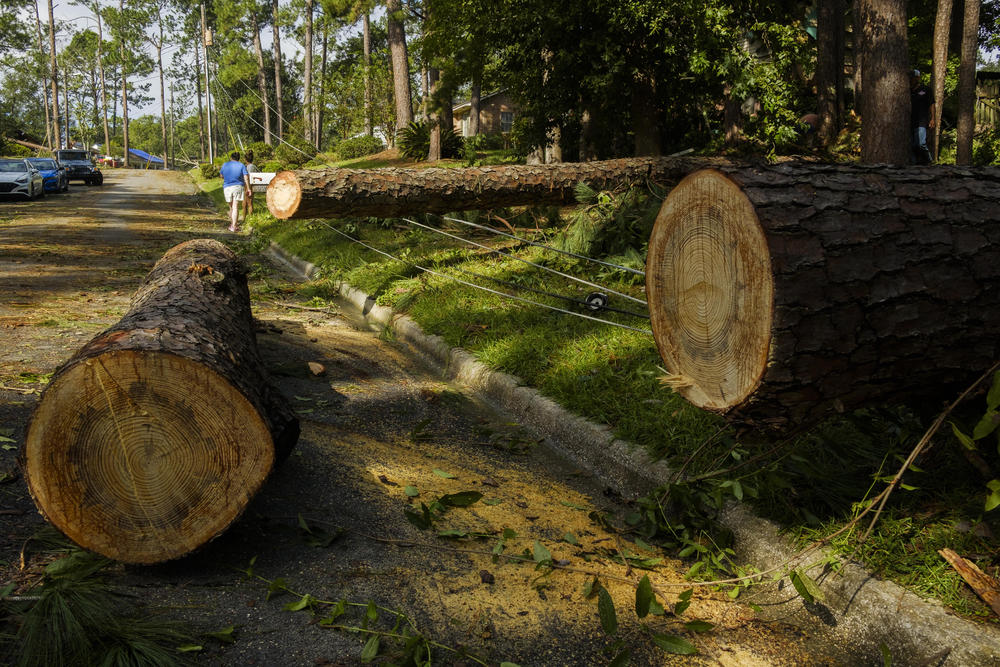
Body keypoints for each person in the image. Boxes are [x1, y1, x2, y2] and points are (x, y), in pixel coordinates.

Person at [219, 151, 250, 232]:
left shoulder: (225, 164)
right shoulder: (241, 165)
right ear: (238, 158)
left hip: (227, 187)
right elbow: (246, 177)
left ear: (231, 158)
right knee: (235, 206)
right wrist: (249, 188)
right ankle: (234, 226)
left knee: (231, 207)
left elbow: (221, 175)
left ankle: (232, 224)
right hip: (238, 186)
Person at [910, 69, 935, 165]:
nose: (911, 79)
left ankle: (929, 161)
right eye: (910, 77)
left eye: (913, 77)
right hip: (910, 121)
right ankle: (914, 164)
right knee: (912, 145)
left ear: (918, 78)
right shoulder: (907, 91)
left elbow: (931, 104)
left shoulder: (926, 90)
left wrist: (933, 118)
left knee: (921, 143)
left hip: (922, 121)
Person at [243, 150, 258, 220]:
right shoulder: (254, 166)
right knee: (248, 202)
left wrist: (247, 188)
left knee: (247, 203)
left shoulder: (248, 167)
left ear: (246, 159)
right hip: (252, 185)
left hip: (248, 185)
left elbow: (247, 177)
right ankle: (248, 218)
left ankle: (247, 218)